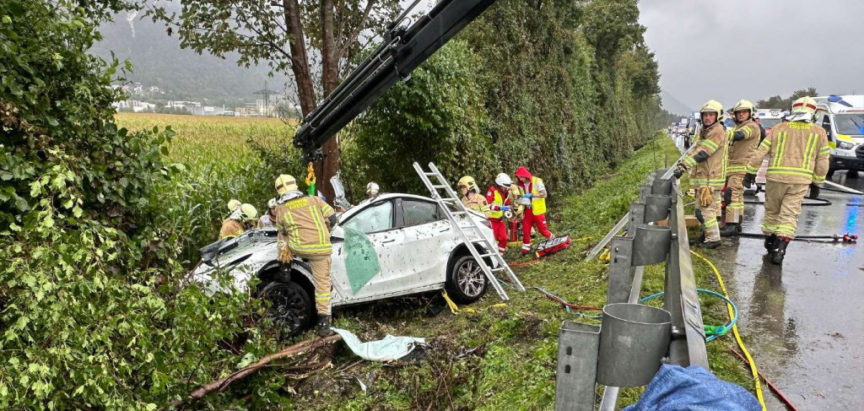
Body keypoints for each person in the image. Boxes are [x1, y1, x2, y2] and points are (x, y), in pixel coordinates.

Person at [744, 96, 829, 264]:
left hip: (775, 178)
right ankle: (780, 250)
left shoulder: (778, 128)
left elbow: (760, 152)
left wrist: (750, 172)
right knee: (789, 215)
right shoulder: (819, 133)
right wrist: (817, 183)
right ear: (813, 113)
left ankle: (769, 241)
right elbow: (823, 161)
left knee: (772, 211)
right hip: (800, 181)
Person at [272, 174, 338, 336]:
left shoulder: (281, 208)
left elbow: (282, 229)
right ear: (295, 185)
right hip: (322, 249)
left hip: (299, 248)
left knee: (282, 236)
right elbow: (333, 218)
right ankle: (323, 323)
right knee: (323, 287)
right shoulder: (314, 200)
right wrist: (325, 231)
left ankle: (285, 269)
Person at [673, 100, 729, 249]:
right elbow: (693, 150)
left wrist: (684, 166)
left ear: (718, 117)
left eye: (711, 115)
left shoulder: (717, 131)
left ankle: (713, 239)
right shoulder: (705, 131)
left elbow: (703, 152)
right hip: (704, 179)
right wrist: (681, 163)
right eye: (705, 115)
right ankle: (707, 235)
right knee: (700, 211)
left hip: (710, 180)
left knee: (706, 211)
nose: (707, 118)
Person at [721, 99, 761, 236]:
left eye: (744, 112)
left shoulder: (751, 127)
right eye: (739, 113)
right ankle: (736, 222)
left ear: (750, 113)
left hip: (742, 168)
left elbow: (740, 136)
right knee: (736, 197)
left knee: (731, 194)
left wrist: (723, 133)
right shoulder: (738, 127)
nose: (741, 115)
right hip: (733, 168)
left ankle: (731, 224)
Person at [514, 166, 553, 255]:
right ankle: (525, 249)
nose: (520, 179)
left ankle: (553, 240)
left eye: (521, 177)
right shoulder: (520, 185)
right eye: (519, 177)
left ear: (525, 175)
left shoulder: (537, 181)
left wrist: (531, 195)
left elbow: (544, 194)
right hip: (528, 210)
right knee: (526, 230)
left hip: (538, 211)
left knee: (543, 230)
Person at [485, 173, 513, 254]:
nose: (506, 188)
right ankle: (491, 257)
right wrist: (499, 208)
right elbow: (487, 205)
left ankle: (500, 256)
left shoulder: (505, 192)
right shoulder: (492, 191)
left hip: (500, 220)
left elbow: (507, 203)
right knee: (491, 241)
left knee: (504, 239)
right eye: (505, 187)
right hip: (491, 221)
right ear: (500, 184)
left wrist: (509, 209)